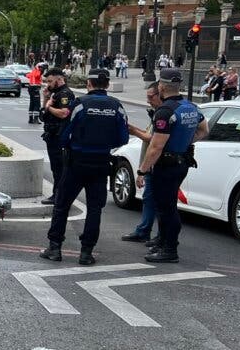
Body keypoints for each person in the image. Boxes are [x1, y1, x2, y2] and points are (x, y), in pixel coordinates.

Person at [40, 69, 129, 264]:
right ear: (106, 85)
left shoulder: (80, 105)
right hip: (101, 162)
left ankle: (55, 248)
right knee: (95, 209)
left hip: (76, 161)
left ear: (88, 83)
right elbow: (123, 137)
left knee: (62, 204)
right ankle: (86, 253)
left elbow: (64, 135)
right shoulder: (117, 106)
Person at [137, 68, 210, 263]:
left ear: (161, 86)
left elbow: (155, 146)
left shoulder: (165, 111)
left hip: (166, 164)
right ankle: (162, 240)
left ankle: (170, 249)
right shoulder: (191, 107)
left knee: (166, 207)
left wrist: (142, 171)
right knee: (166, 205)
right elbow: (204, 129)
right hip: (182, 161)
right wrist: (185, 142)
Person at [121, 81, 164, 247]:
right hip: (154, 164)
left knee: (160, 201)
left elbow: (152, 139)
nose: (148, 101)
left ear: (160, 94)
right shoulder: (157, 112)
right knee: (149, 197)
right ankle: (144, 231)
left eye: (150, 97)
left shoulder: (163, 114)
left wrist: (133, 130)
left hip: (159, 164)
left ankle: (160, 236)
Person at [39, 67, 76, 204]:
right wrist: (46, 99)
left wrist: (49, 107)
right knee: (56, 168)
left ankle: (59, 196)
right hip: (52, 135)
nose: (48, 84)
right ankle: (58, 195)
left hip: (59, 137)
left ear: (59, 79)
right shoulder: (54, 94)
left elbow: (64, 113)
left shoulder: (65, 94)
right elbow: (43, 115)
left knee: (60, 169)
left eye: (50, 81)